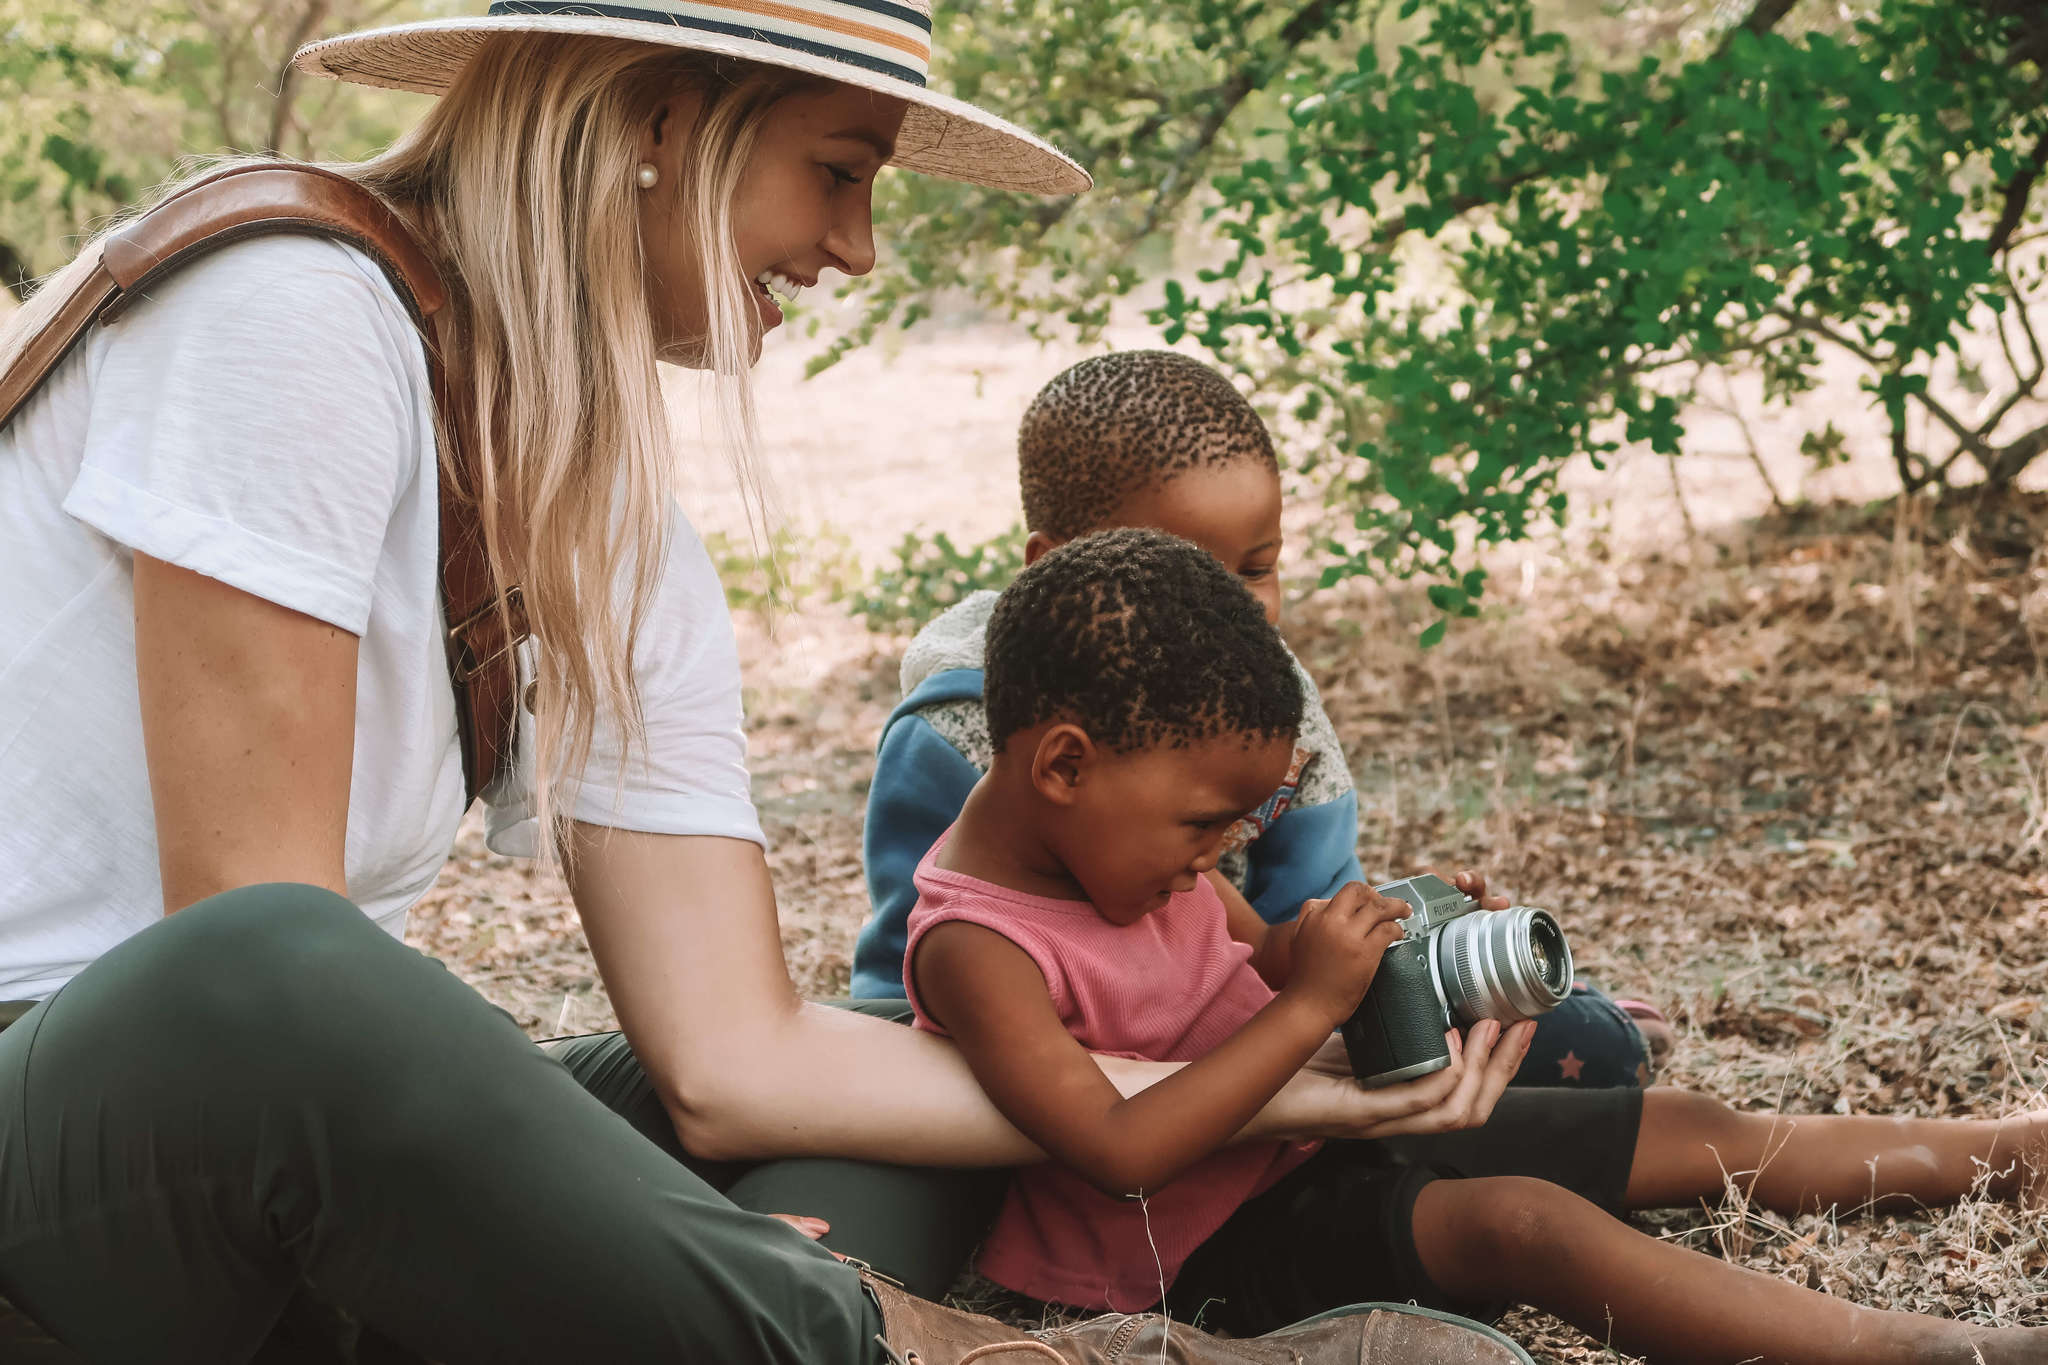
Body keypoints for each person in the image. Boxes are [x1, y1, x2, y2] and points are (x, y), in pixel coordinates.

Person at [0, 5, 1535, 1363]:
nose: (858, 247)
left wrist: (1295, 1083)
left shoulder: (611, 515)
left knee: (884, 1111)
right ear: (664, 121)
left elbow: (737, 1061)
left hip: (258, 1163)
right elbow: (251, 978)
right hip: (81, 1145)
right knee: (287, 964)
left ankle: (739, 1309)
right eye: (840, 169)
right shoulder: (290, 306)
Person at [905, 526, 2048, 1365]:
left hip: (1309, 1142)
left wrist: (1392, 935)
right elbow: (1117, 1147)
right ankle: (1912, 1350)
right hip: (1192, 1248)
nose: (1215, 858)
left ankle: (2003, 1148)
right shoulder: (977, 945)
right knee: (1525, 1227)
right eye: (1203, 824)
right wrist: (1308, 1012)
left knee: (1687, 1127)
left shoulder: (1131, 848)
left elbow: (1259, 962)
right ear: (1061, 766)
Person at [853, 349, 1672, 1086]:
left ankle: (1583, 1021)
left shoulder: (1272, 703)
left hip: (1245, 1019)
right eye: (1186, 572)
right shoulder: (964, 730)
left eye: (1258, 568)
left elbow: (1299, 923)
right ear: (1057, 561)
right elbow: (911, 970)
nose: (1231, 609)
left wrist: (1416, 937)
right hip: (1045, 1061)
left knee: (1560, 1041)